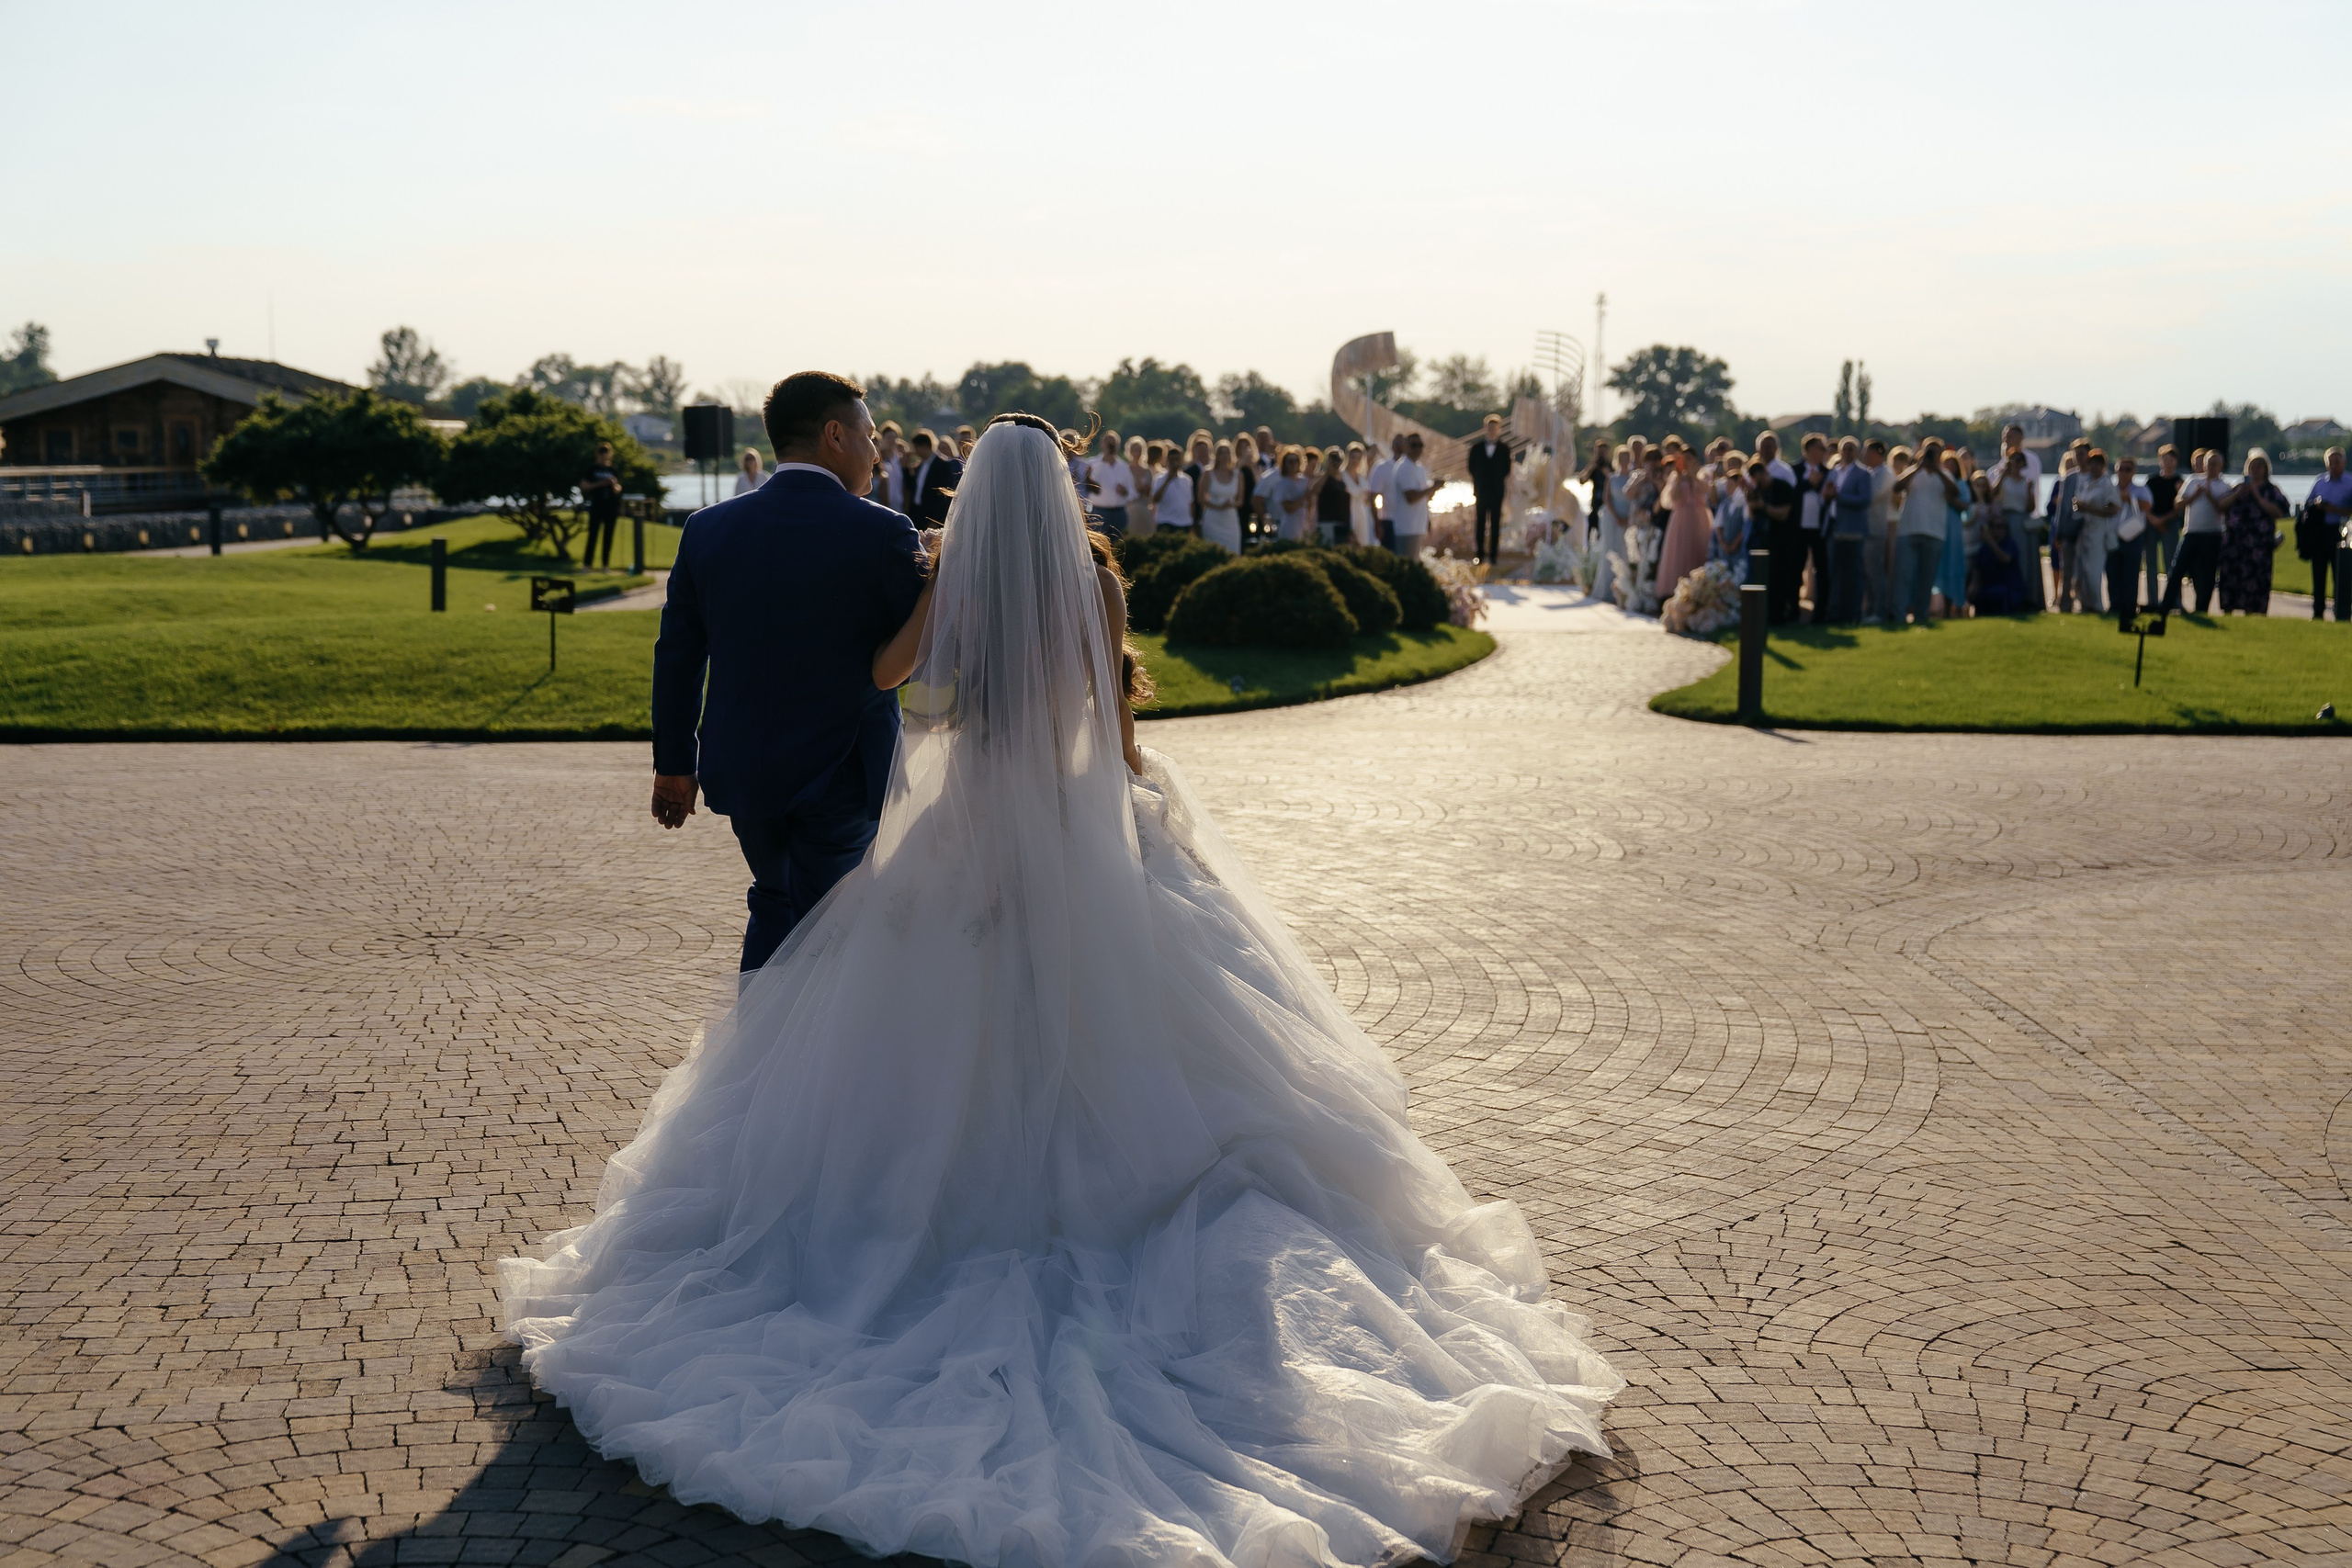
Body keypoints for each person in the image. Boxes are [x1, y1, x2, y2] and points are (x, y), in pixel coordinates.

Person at [505, 415, 1622, 1568]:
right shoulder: (1093, 579)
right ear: (1061, 487)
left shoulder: (954, 582)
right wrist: (1131, 801)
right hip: (1076, 820)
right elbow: (1117, 716)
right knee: (1128, 1018)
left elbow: (898, 686)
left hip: (975, 825)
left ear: (976, 496)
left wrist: (937, 601)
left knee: (933, 1023)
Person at [647, 370, 929, 975]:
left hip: (745, 772)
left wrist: (674, 763)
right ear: (834, 435)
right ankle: (804, 1067)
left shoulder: (707, 530)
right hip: (845, 775)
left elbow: (677, 655)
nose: (877, 453)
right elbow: (921, 656)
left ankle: (759, 1062)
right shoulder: (883, 532)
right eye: (869, 435)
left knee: (776, 904)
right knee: (834, 930)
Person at [1892, 437, 1959, 626]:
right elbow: (1896, 487)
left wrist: (1937, 469)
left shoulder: (1946, 475)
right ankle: (1898, 616)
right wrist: (1918, 467)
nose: (1931, 455)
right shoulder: (1912, 472)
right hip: (1908, 531)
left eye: (1935, 452)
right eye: (1928, 451)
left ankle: (1921, 616)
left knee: (1926, 579)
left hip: (1935, 533)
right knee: (1903, 577)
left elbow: (1954, 493)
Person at [2216, 447, 2289, 615]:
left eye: (2259, 466)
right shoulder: (2238, 487)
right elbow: (2221, 506)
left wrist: (2257, 496)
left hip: (2259, 545)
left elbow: (2279, 512)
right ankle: (2229, 610)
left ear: (2265, 469)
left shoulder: (2271, 490)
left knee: (2257, 580)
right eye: (2252, 466)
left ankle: (2254, 612)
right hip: (2235, 543)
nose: (2255, 470)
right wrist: (2237, 494)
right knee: (2231, 578)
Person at [2164, 448, 2229, 613]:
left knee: (2206, 576)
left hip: (2212, 535)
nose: (2211, 467)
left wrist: (2209, 495)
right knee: (2177, 570)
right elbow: (2178, 504)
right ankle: (2165, 606)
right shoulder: (2193, 481)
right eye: (2209, 463)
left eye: (2215, 464)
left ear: (2221, 465)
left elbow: (2223, 510)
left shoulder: (2225, 487)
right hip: (2191, 533)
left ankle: (2201, 609)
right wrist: (2194, 495)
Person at [1825, 437, 1874, 625]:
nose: (1847, 453)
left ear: (1858, 451)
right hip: (1835, 528)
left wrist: (1839, 496)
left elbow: (1864, 499)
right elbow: (1827, 495)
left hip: (1853, 531)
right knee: (1836, 573)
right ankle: (1836, 613)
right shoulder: (1834, 472)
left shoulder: (1863, 474)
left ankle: (1853, 614)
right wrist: (1828, 495)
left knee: (1853, 574)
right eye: (1845, 449)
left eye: (1851, 449)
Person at [2068, 448, 2120, 617]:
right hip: (2084, 530)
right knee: (2081, 569)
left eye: (2098, 463)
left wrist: (2089, 509)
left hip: (2099, 531)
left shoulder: (2106, 483)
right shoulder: (2086, 482)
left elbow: (2114, 508)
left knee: (2093, 570)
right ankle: (2084, 604)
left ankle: (2097, 605)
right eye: (2092, 463)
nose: (2094, 467)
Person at [1656, 446, 1712, 595]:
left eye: (1689, 459)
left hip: (1699, 518)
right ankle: (1676, 591)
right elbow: (1671, 499)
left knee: (1698, 550)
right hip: (1681, 518)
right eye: (1683, 459)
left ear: (1695, 460)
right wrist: (1680, 477)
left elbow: (1706, 490)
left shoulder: (1704, 474)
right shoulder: (1676, 477)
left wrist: (1692, 475)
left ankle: (1698, 588)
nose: (1686, 462)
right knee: (1679, 552)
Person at [1968, 473, 2028, 615]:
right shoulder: (1984, 547)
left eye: (2000, 526)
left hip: (2009, 586)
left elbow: (2006, 559)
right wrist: (1974, 585)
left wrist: (1990, 542)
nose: (1996, 529)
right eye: (1993, 526)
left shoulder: (2009, 544)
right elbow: (1977, 568)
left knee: (1999, 594)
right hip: (1988, 584)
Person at [2108, 455, 2153, 629]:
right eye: (2121, 469)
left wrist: (2129, 499)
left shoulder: (2141, 490)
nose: (2124, 473)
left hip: (2133, 537)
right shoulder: (2110, 489)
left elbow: (2148, 506)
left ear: (2134, 472)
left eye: (2128, 469)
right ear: (2116, 470)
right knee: (2112, 572)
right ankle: (2114, 604)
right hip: (2113, 535)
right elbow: (2103, 506)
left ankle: (2129, 607)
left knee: (2131, 573)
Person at [2141, 445, 2186, 610]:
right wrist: (2154, 520)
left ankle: (2174, 601)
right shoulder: (2151, 481)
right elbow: (2145, 504)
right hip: (2151, 524)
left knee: (2171, 564)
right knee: (2150, 564)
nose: (2168, 463)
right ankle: (2152, 601)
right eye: (2165, 459)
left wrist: (2164, 520)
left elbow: (2179, 508)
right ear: (2160, 461)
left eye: (2171, 459)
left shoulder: (2179, 482)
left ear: (2176, 461)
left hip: (2170, 525)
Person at [2311, 446, 2352, 621]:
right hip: (2321, 532)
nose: (2334, 465)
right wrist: (2318, 505)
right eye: (2331, 462)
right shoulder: (2320, 482)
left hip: (2340, 532)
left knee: (2340, 574)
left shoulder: (2350, 482)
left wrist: (2334, 509)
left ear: (2344, 463)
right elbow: (2309, 503)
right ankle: (2318, 612)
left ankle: (2340, 611)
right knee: (2318, 573)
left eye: (2337, 462)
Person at [1464, 412, 1511, 563]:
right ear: (1486, 428)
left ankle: (1493, 556)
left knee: (1496, 524)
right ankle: (1479, 553)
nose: (1492, 430)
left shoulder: (1504, 449)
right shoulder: (1476, 448)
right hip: (1481, 491)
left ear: (1499, 429)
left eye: (1495, 427)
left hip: (1497, 492)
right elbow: (1471, 467)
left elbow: (1507, 469)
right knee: (1480, 522)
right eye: (1490, 427)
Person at [1861, 439, 1894, 622]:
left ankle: (1879, 611)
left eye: (1867, 451)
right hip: (1867, 530)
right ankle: (1870, 609)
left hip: (1875, 530)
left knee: (1876, 573)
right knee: (1868, 574)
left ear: (1877, 453)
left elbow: (1870, 496)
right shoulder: (1871, 472)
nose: (1864, 455)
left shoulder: (1885, 473)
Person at [1388, 432, 1434, 556]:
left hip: (1418, 525)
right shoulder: (1404, 467)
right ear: (1405, 446)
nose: (1418, 449)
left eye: (1420, 445)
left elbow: (1424, 497)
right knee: (1407, 566)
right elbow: (1411, 497)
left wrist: (1427, 520)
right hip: (1406, 528)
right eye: (1414, 445)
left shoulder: (1419, 467)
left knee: (1415, 564)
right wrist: (1433, 487)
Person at [1086, 429, 1138, 537]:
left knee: (1118, 547)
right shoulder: (1092, 464)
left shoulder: (1124, 467)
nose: (1111, 446)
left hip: (1119, 513)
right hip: (1098, 512)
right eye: (1108, 443)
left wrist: (1125, 492)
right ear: (1102, 444)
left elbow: (1133, 492)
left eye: (1114, 443)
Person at [903, 428, 960, 526]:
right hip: (917, 514)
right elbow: (913, 487)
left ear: (924, 446)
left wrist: (935, 521)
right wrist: (905, 467)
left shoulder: (943, 464)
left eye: (916, 447)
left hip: (932, 517)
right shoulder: (920, 465)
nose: (915, 451)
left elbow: (944, 495)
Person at [1197, 439, 1245, 553]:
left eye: (1226, 452)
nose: (1224, 455)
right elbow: (1201, 498)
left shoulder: (1238, 475)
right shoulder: (1208, 473)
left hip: (1230, 520)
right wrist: (1217, 506)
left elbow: (1240, 500)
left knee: (1233, 551)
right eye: (1221, 452)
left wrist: (1230, 504)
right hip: (1212, 518)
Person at [582, 441, 624, 569]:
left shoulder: (613, 470)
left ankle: (605, 565)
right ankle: (587, 564)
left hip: (610, 506)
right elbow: (584, 485)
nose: (604, 455)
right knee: (593, 535)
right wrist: (600, 484)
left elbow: (618, 489)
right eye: (602, 453)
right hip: (597, 505)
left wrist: (613, 484)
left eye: (606, 453)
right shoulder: (592, 469)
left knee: (608, 536)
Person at [1148, 440, 1193, 537]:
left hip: (1184, 523)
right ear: (1167, 461)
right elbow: (1155, 499)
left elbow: (1190, 503)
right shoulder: (1159, 478)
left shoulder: (1187, 479)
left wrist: (1191, 521)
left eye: (1177, 459)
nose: (1175, 463)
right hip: (1166, 522)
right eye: (1172, 460)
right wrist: (1168, 479)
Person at [1368, 433, 1403, 550]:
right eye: (1397, 443)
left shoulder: (1413, 467)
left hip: (1407, 522)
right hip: (1388, 521)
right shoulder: (1382, 467)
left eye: (1403, 443)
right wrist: (1377, 523)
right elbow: (1372, 497)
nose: (1400, 446)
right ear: (1392, 446)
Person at [1314, 446, 1351, 545]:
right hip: (1327, 522)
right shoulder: (1323, 478)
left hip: (1342, 523)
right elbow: (1315, 490)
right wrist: (1327, 472)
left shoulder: (1343, 479)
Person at [1343, 441, 1378, 547]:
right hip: (1348, 513)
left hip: (1362, 514)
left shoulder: (1362, 478)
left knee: (1363, 544)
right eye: (1353, 457)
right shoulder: (1342, 475)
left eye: (1358, 458)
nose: (1355, 461)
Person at [870, 421, 907, 511]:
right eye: (888, 438)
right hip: (883, 503)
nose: (891, 440)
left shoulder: (902, 460)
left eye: (894, 437)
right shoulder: (878, 459)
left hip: (899, 503)